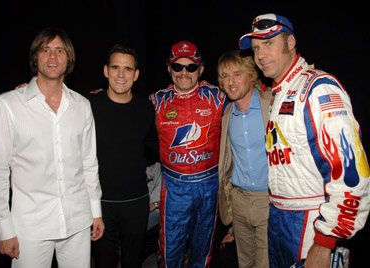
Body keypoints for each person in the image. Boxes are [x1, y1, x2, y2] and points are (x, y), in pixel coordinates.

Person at [239, 13, 370, 267]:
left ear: (290, 43)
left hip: (312, 222)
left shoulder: (318, 88)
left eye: (268, 44)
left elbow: (352, 172)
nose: (260, 55)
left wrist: (325, 241)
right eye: (256, 48)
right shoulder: (280, 93)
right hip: (279, 217)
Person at [0, 27, 104, 268]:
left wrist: (96, 211)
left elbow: (89, 164)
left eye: (59, 50)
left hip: (77, 223)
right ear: (35, 58)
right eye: (45, 50)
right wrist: (3, 227)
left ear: (68, 59)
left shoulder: (81, 105)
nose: (52, 57)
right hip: (29, 228)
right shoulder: (6, 106)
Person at [149, 41, 227, 267]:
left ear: (201, 69)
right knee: (170, 250)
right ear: (169, 69)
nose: (184, 72)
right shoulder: (156, 101)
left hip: (209, 186)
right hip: (175, 188)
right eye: (178, 67)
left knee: (203, 250)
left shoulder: (217, 97)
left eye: (191, 67)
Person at [88, 44, 159, 268]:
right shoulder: (88, 105)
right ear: (106, 71)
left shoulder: (146, 108)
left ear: (136, 75)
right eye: (115, 68)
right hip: (100, 204)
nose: (121, 75)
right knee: (103, 262)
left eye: (127, 69)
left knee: (133, 262)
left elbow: (157, 148)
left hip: (136, 202)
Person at [217, 50, 272, 268]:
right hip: (239, 202)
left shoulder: (273, 106)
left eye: (237, 74)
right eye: (224, 76)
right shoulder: (227, 114)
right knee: (244, 264)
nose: (230, 82)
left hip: (269, 201)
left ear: (251, 75)